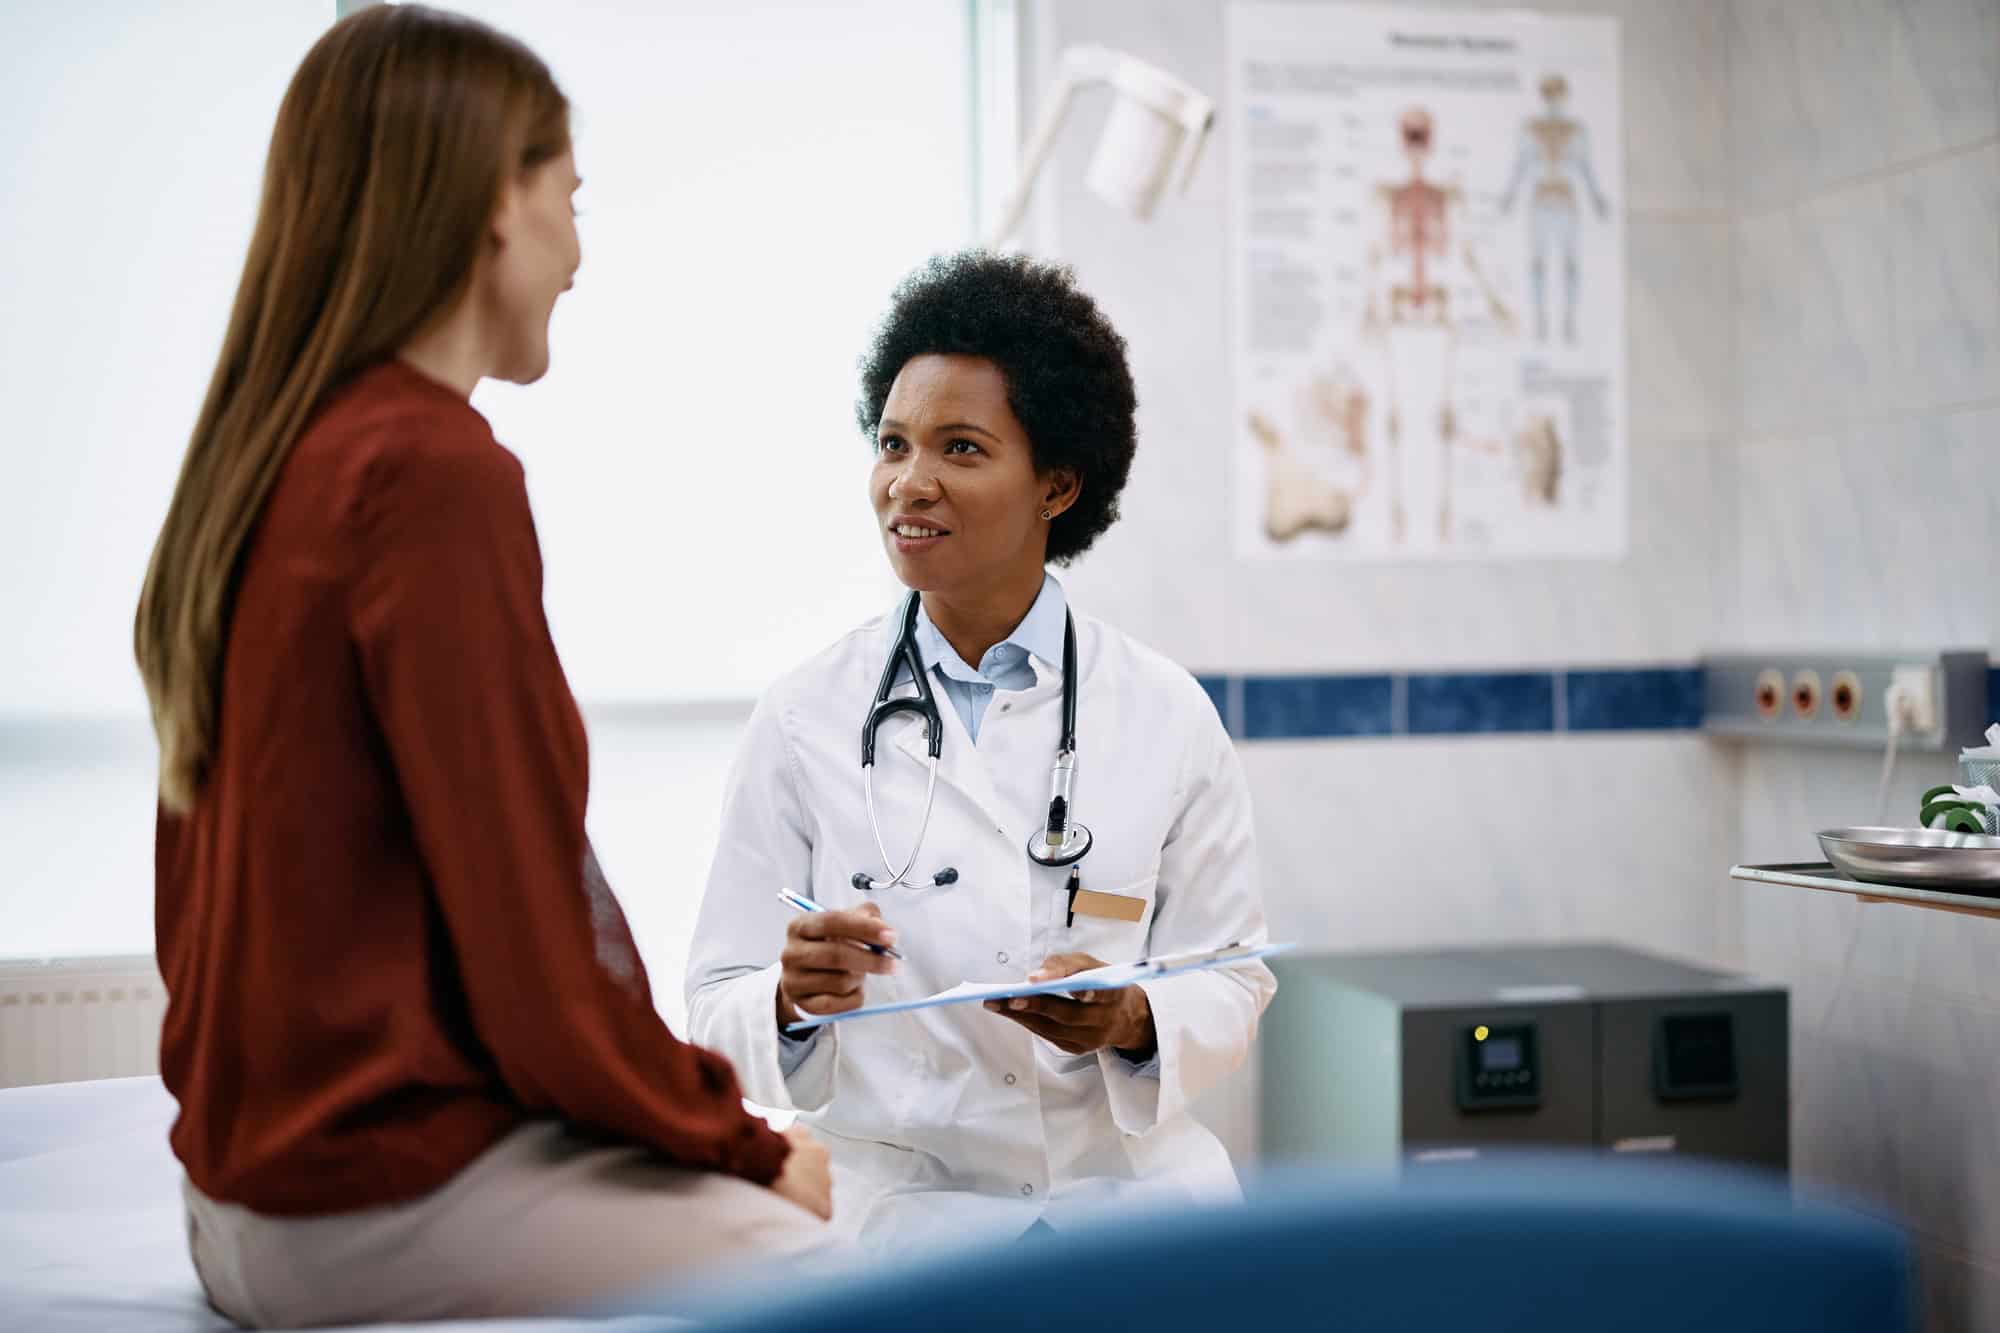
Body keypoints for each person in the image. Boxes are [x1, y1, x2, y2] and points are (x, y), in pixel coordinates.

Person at [132, 8, 828, 1325]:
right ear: (496, 204)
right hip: (357, 1204)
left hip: (235, 1199)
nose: (580, 250)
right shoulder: (431, 472)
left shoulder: (270, 460)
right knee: (823, 1266)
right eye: (572, 196)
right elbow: (536, 940)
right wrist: (741, 1140)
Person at [685, 252, 1275, 1251]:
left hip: (1127, 1213)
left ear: (1055, 483)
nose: (907, 483)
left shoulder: (1165, 713)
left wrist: (1130, 1016)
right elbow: (712, 1000)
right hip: (907, 1226)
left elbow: (1231, 976)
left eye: (959, 448)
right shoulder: (802, 718)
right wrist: (788, 999)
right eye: (892, 443)